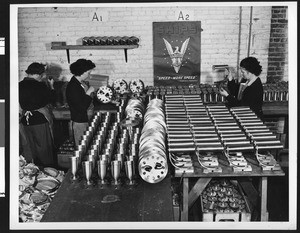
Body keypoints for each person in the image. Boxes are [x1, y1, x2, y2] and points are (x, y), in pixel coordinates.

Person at [19, 62, 55, 167]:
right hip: (39, 120)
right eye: (43, 74)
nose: (43, 76)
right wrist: (51, 87)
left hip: (25, 120)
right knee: (44, 148)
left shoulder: (19, 85)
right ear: (38, 74)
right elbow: (52, 99)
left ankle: (33, 169)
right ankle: (47, 170)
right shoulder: (40, 86)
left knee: (30, 147)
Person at [66, 59, 95, 147]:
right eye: (88, 73)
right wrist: (88, 93)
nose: (89, 75)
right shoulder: (73, 86)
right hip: (79, 122)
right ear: (82, 72)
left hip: (83, 120)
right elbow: (81, 107)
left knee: (85, 145)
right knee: (82, 147)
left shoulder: (79, 84)